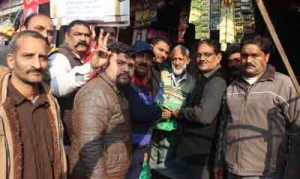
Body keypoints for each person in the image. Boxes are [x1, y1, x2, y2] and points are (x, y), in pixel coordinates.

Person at [214, 35, 300, 179]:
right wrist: (219, 162)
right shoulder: (233, 87)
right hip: (232, 169)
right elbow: (224, 128)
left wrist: (292, 172)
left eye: (255, 55)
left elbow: (297, 131)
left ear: (266, 57)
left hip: (265, 173)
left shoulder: (283, 85)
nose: (248, 60)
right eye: (245, 55)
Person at [0, 30, 66, 179]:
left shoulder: (51, 103)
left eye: (42, 57)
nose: (37, 64)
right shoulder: (3, 103)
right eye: (28, 56)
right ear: (11, 61)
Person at [69, 41, 133, 178]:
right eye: (120, 63)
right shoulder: (96, 93)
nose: (127, 69)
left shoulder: (115, 89)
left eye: (130, 65)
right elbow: (90, 147)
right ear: (105, 63)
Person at [172, 39, 228, 179]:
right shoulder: (204, 78)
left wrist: (181, 112)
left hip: (202, 152)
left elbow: (204, 115)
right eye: (199, 55)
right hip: (193, 150)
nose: (202, 58)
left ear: (218, 57)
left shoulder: (217, 81)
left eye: (207, 54)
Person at [150, 44, 195, 179]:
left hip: (174, 128)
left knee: (166, 163)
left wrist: (175, 113)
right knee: (151, 157)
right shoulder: (163, 74)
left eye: (180, 59)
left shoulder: (192, 82)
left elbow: (191, 106)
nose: (177, 62)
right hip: (157, 124)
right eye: (174, 59)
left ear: (187, 60)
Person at [48, 20, 93, 146]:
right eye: (78, 34)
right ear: (67, 36)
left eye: (87, 35)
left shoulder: (80, 59)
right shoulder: (59, 58)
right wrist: (91, 67)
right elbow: (57, 87)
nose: (83, 39)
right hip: (65, 135)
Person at [124, 41, 162, 179]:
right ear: (131, 58)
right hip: (126, 147)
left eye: (148, 58)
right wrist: (157, 111)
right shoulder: (127, 83)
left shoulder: (148, 86)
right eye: (140, 56)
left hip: (142, 147)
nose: (144, 61)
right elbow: (140, 113)